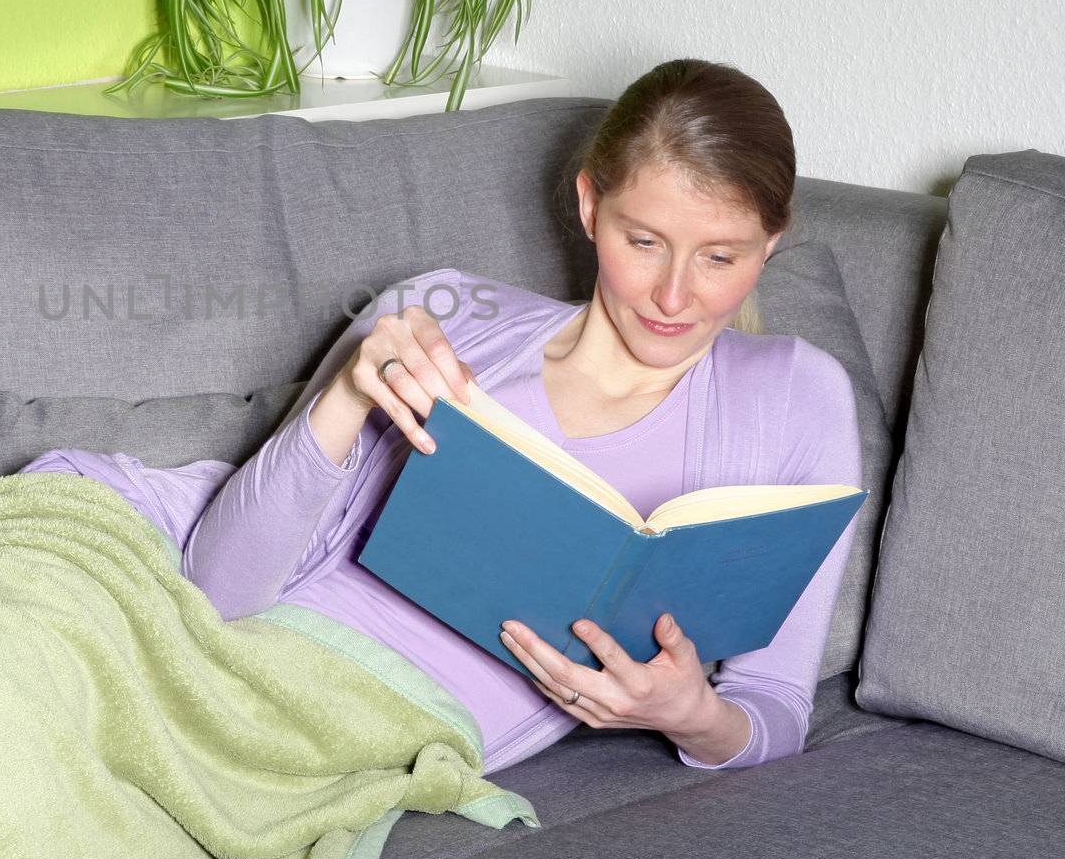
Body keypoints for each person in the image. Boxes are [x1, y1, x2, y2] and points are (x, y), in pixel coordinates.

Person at [175, 57, 864, 774]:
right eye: (644, 243)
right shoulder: (446, 320)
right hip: (252, 660)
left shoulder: (795, 400)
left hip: (377, 739)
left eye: (720, 258)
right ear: (590, 207)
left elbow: (776, 705)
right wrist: (347, 397)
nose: (672, 297)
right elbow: (214, 594)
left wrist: (693, 718)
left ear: (771, 243)